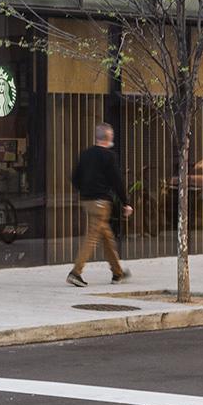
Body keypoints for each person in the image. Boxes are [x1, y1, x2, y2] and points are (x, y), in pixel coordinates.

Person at [68, 123, 132, 287]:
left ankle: (117, 273)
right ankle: (76, 272)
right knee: (92, 238)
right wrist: (125, 202)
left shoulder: (85, 154)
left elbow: (74, 177)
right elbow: (117, 181)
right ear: (108, 137)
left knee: (107, 237)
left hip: (87, 201)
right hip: (101, 202)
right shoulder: (109, 156)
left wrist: (85, 190)